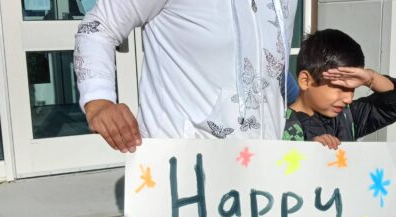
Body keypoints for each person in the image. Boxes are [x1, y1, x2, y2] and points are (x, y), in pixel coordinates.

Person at [75, 1, 297, 153]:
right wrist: (98, 100)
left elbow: (265, 62)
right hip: (185, 169)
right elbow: (99, 27)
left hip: (264, 166)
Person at [283, 29, 396, 149]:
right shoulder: (279, 125)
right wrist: (309, 151)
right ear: (305, 81)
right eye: (340, 88)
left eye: (352, 89)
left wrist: (370, 79)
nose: (349, 99)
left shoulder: (347, 116)